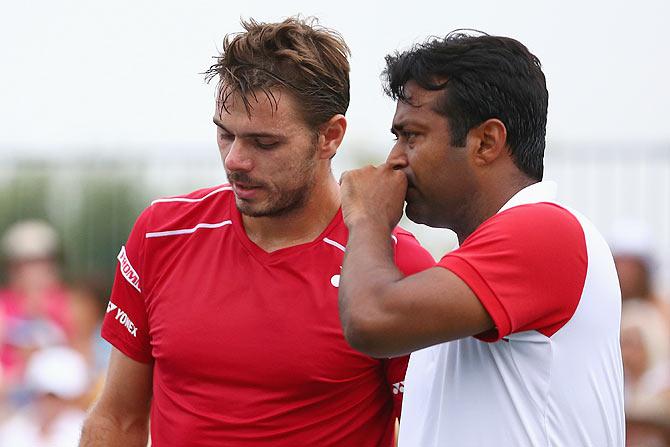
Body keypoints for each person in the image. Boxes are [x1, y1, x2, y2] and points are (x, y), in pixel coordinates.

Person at [79, 17, 434, 447]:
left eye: (264, 143)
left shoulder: (395, 265)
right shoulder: (161, 233)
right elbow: (116, 420)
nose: (235, 160)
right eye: (225, 134)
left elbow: (427, 434)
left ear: (330, 136)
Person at [338, 31, 625, 446]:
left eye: (412, 135)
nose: (395, 159)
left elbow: (371, 320)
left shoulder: (545, 229)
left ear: (487, 142)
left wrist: (366, 219)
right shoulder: (479, 258)